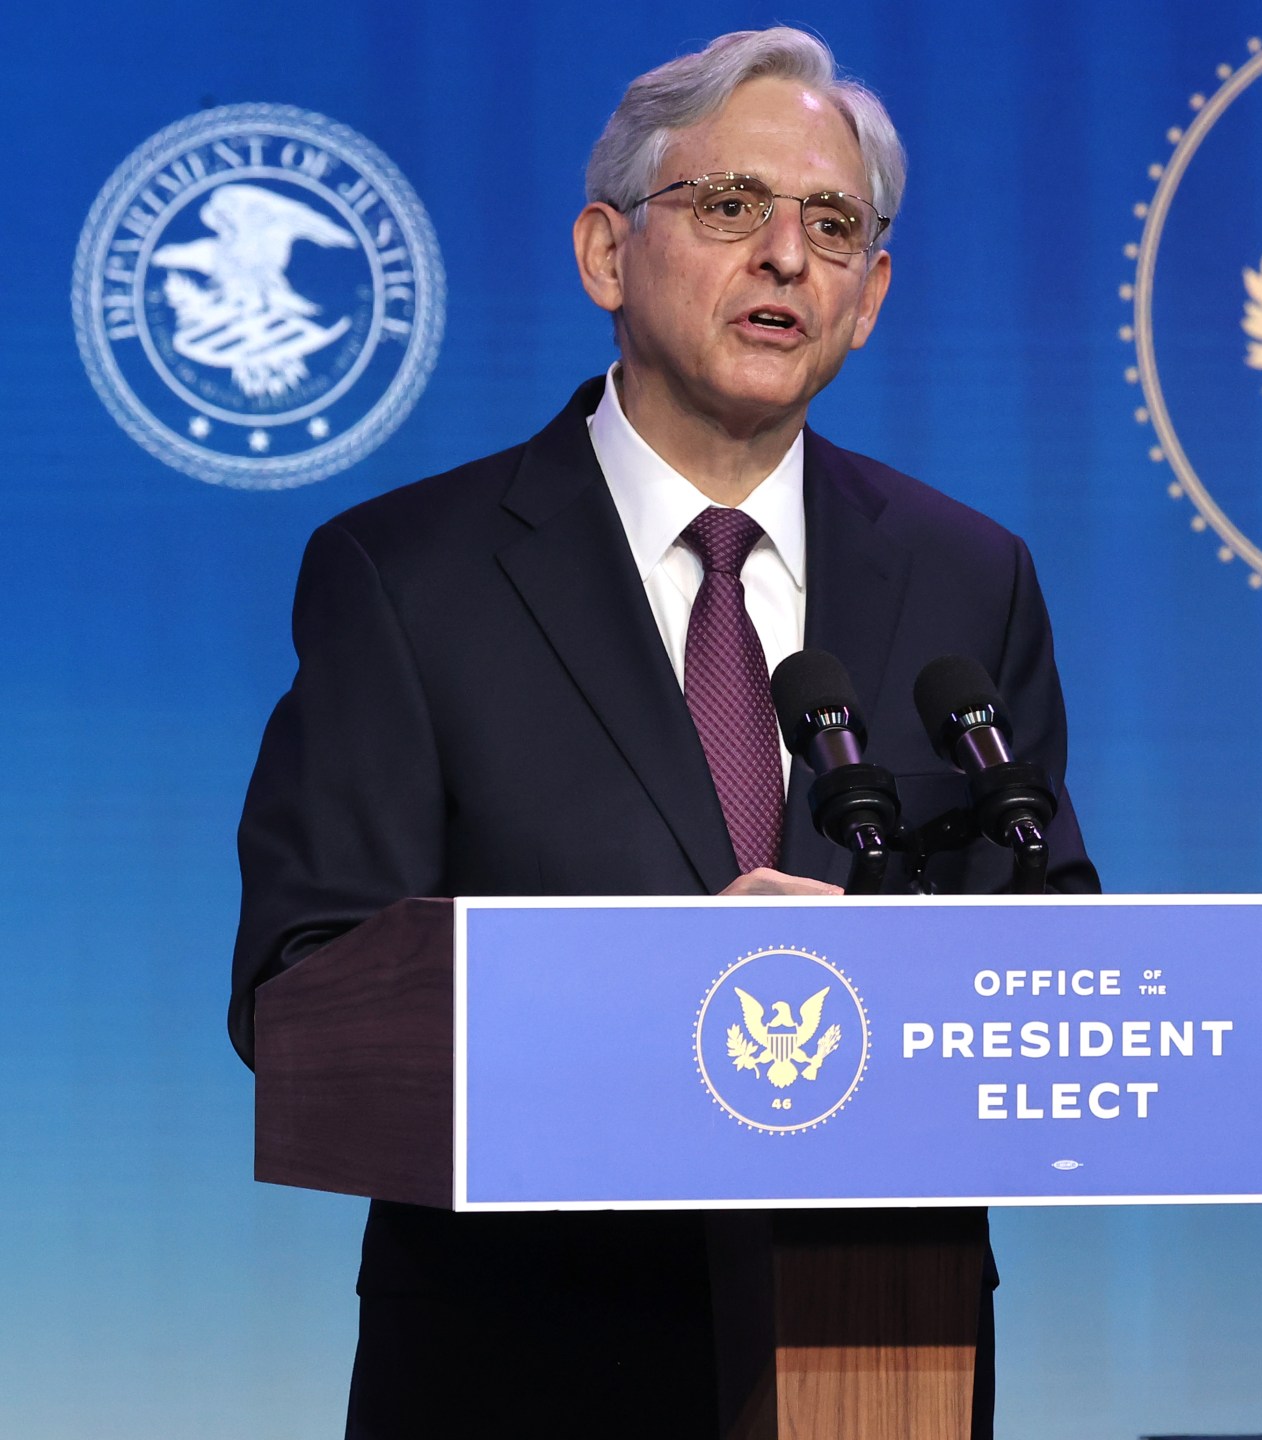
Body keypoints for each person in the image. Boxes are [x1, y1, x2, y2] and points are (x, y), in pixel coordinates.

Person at [228, 27, 1096, 1438]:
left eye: (832, 225)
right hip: (524, 1359)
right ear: (604, 254)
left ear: (871, 298)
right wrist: (653, 997)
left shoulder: (969, 577)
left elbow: (1047, 951)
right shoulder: (411, 576)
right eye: (730, 205)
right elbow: (302, 998)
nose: (785, 258)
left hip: (879, 1348)